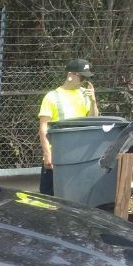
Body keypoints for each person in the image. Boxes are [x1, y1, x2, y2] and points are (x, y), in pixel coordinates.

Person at [38, 59, 99, 195]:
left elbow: (93, 121)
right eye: (81, 76)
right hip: (57, 158)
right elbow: (43, 129)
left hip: (79, 157)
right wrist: (48, 155)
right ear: (70, 75)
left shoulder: (85, 95)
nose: (84, 80)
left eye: (86, 77)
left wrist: (93, 101)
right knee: (51, 198)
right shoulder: (52, 97)